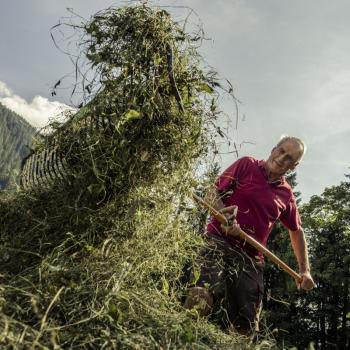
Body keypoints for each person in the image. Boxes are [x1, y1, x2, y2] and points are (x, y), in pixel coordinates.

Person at [184, 136, 315, 335]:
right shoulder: (246, 165)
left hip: (250, 257)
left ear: (294, 166)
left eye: (289, 158)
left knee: (246, 324)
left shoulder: (286, 195)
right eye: (281, 151)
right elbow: (213, 192)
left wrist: (305, 271)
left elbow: (296, 231)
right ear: (273, 148)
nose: (281, 158)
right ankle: (182, 339)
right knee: (201, 293)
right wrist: (223, 217)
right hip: (218, 240)